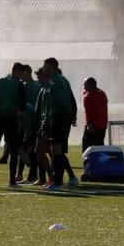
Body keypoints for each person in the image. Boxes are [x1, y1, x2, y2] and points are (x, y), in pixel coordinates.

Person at [46, 57, 80, 187]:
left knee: (57, 150)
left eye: (45, 66)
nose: (44, 69)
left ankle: (57, 181)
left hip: (59, 117)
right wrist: (71, 116)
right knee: (57, 150)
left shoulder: (55, 81)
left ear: (52, 67)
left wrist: (65, 115)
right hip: (62, 117)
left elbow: (60, 101)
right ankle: (58, 180)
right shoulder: (63, 80)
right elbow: (71, 99)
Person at [0, 64, 26, 186]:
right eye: (22, 73)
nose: (23, 77)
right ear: (18, 72)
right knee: (14, 150)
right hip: (11, 119)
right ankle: (12, 179)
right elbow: (22, 103)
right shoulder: (19, 84)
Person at [20, 65, 43, 184]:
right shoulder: (39, 86)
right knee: (32, 150)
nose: (20, 76)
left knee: (25, 149)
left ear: (27, 72)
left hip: (29, 122)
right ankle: (31, 174)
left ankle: (33, 174)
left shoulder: (25, 87)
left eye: (22, 73)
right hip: (38, 122)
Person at [81, 77, 109, 153]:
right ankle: (101, 163)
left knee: (87, 150)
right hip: (102, 126)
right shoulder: (102, 94)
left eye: (85, 85)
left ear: (91, 85)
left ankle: (90, 164)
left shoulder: (88, 96)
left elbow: (89, 113)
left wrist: (89, 124)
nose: (83, 87)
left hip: (92, 127)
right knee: (100, 147)